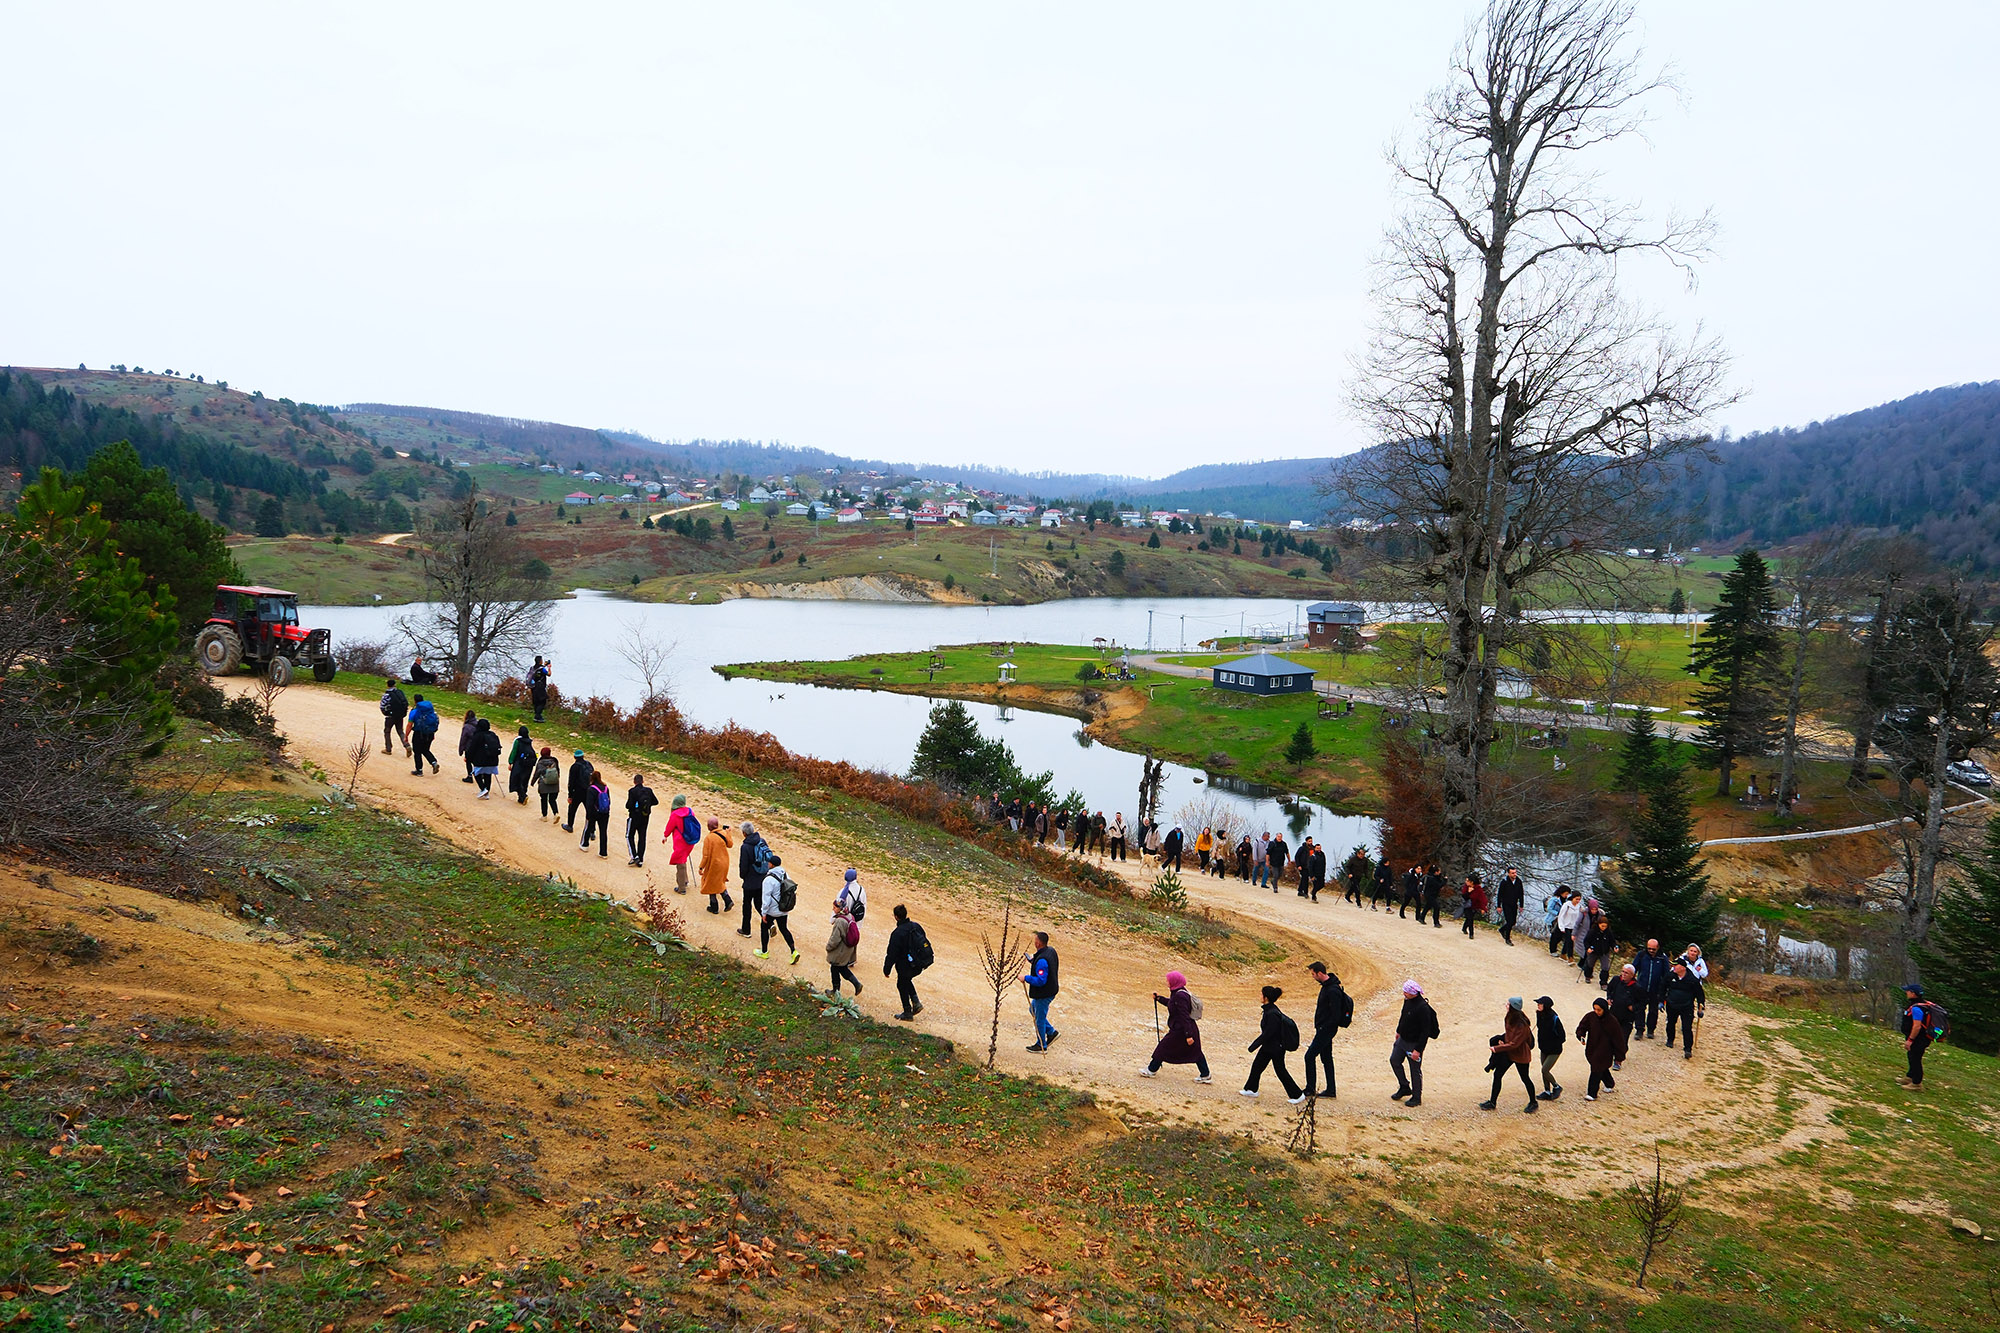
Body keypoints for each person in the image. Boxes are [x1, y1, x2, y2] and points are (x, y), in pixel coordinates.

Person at [1141, 971, 1209, 1082]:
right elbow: (1172, 1004)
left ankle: (1151, 1070)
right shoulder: (1178, 992)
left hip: (1181, 1030)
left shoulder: (1180, 995)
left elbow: (1184, 1016)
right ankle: (1205, 1074)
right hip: (1185, 1028)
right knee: (1195, 1051)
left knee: (1163, 1047)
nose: (1167, 982)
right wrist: (1159, 999)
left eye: (1168, 980)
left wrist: (1188, 1035)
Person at [1242, 985, 1304, 1102]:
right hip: (1269, 1046)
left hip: (1275, 1048)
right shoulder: (1269, 1010)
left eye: (1261, 994)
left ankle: (1297, 1095)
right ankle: (1251, 1089)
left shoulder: (1272, 1013)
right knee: (1257, 1066)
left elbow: (1268, 1033)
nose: (1259, 996)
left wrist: (1253, 1046)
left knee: (1280, 1071)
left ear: (1266, 998)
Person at [1479, 998, 1540, 1113]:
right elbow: (1509, 1035)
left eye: (1508, 1004)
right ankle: (1492, 1102)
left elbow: (1515, 1043)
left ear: (1512, 1007)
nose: (1506, 1005)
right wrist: (1502, 1041)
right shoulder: (1509, 1018)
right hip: (1509, 1052)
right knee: (1497, 1075)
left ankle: (1533, 1102)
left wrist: (1497, 1048)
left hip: (1521, 1055)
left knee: (1525, 1078)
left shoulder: (1522, 1025)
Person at [1390, 979, 1438, 1107]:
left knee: (1415, 1070)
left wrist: (1418, 1050)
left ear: (1413, 993)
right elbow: (1403, 1016)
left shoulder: (1423, 1008)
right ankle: (1404, 1086)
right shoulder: (1408, 1001)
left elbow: (1425, 1031)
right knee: (1394, 1060)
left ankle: (1417, 1097)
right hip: (1403, 1039)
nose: (1404, 994)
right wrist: (1398, 1031)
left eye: (1406, 992)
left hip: (1414, 1044)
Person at [1303, 961, 1348, 1098]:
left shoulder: (1332, 990)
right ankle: (1331, 1089)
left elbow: (1335, 1015)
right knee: (1326, 1058)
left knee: (1309, 1056)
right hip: (1324, 1028)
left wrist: (1324, 1027)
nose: (1312, 977)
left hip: (1326, 1029)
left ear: (1319, 973)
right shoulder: (1328, 986)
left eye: (1313, 974)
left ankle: (1310, 1088)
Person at [883, 904, 929, 1020]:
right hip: (919, 963)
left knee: (901, 984)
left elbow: (891, 954)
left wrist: (886, 969)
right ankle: (916, 1003)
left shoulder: (897, 933)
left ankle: (907, 1012)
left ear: (896, 917)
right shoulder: (916, 926)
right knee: (906, 980)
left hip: (905, 966)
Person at [755, 854, 800, 964]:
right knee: (784, 929)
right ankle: (793, 951)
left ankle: (764, 951)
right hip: (783, 909)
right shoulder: (785, 874)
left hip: (772, 910)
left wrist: (763, 912)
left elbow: (766, 898)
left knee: (764, 928)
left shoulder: (768, 879)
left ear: (771, 864)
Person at [1575, 997, 1621, 1100]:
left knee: (1596, 1069)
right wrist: (1581, 1035)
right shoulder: (1591, 1017)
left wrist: (1619, 1056)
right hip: (1592, 1048)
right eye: (1595, 1009)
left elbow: (1618, 1040)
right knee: (1600, 1067)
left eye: (1599, 1010)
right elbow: (1582, 1027)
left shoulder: (1612, 1022)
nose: (1597, 1012)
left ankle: (1592, 1093)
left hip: (1605, 1051)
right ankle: (1609, 1083)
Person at [1022, 931, 1060, 1052]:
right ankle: (1051, 1032)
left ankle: (1041, 1045)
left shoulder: (1042, 961)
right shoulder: (1050, 951)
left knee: (1039, 1018)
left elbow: (1040, 980)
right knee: (1032, 1009)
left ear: (1038, 943)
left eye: (1035, 940)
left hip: (1044, 993)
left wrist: (1026, 978)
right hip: (1052, 989)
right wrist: (1034, 960)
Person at [1663, 960, 1707, 1059]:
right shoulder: (1670, 976)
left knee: (1687, 1028)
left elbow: (1700, 994)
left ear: (1682, 967)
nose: (1673, 967)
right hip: (1672, 1004)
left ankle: (1688, 1049)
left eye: (1676, 965)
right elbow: (1662, 987)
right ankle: (1670, 1040)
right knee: (1670, 1023)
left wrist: (1701, 1007)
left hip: (1686, 1007)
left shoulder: (1692, 979)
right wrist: (1661, 1001)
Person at [736, 820, 771, 937]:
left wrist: (743, 876)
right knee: (759, 903)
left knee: (747, 905)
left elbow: (743, 865)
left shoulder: (745, 846)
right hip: (762, 878)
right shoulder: (762, 841)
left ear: (744, 833)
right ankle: (769, 924)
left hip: (750, 881)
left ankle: (746, 930)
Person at [1899, 983, 1936, 1088]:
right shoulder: (1923, 1005)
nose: (1906, 993)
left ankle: (1916, 1083)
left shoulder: (1916, 1008)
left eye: (1908, 991)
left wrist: (1910, 1040)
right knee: (1911, 1056)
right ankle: (1910, 1076)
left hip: (1918, 1038)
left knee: (1915, 1058)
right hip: (1921, 1038)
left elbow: (1917, 1026)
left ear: (1913, 994)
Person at [1632, 938, 1671, 1039]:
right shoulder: (1641, 955)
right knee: (1640, 1009)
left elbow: (1667, 974)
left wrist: (1665, 988)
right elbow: (1634, 968)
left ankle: (1651, 1030)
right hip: (1642, 987)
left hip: (1656, 989)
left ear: (1657, 948)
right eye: (1649, 948)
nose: (1651, 951)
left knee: (1653, 1011)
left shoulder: (1662, 958)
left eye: (1653, 949)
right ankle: (1639, 1030)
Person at [1605, 964, 1641, 1069]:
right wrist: (1609, 998)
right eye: (1623, 972)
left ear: (1632, 975)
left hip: (1627, 1018)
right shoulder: (1616, 980)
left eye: (1626, 973)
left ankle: (1618, 1060)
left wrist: (1633, 1007)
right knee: (1608, 1035)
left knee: (1622, 1039)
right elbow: (1609, 989)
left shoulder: (1637, 987)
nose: (1623, 974)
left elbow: (1642, 1002)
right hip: (1614, 1014)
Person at [663, 795, 701, 891]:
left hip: (680, 842)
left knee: (680, 863)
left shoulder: (675, 814)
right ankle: (685, 880)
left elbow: (670, 827)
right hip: (690, 841)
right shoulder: (690, 811)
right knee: (683, 859)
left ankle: (681, 888)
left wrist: (665, 836)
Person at [697, 817, 735, 913]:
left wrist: (701, 867)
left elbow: (706, 856)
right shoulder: (723, 833)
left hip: (714, 864)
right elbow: (730, 844)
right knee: (719, 882)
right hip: (725, 863)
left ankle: (714, 907)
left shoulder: (708, 838)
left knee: (711, 883)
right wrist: (728, 833)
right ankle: (728, 900)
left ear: (709, 827)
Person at [826, 898, 862, 995]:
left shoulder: (840, 921)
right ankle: (857, 984)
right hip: (848, 949)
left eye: (834, 907)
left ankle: (835, 991)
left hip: (841, 950)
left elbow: (835, 939)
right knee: (842, 968)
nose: (833, 909)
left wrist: (828, 947)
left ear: (840, 908)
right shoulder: (850, 916)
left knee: (834, 969)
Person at [1534, 996, 1565, 1100]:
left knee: (1545, 1070)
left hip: (1554, 1050)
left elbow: (1562, 1036)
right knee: (1544, 1070)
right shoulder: (1540, 1015)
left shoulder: (1554, 1018)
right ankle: (1547, 1091)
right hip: (1544, 1048)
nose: (1538, 1005)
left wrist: (1553, 1043)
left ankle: (1556, 1087)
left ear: (1545, 1006)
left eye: (1540, 1004)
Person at [625, 773, 659, 866]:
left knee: (629, 836)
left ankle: (634, 856)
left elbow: (628, 805)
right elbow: (656, 802)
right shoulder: (648, 790)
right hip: (645, 817)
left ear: (634, 782)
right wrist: (646, 805)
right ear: (643, 781)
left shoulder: (632, 791)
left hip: (634, 817)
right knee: (642, 837)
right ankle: (640, 859)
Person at [407, 694, 440, 776]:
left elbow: (409, 725)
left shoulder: (414, 712)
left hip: (419, 734)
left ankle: (419, 770)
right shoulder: (430, 710)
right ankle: (434, 762)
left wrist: (406, 735)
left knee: (417, 751)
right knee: (425, 750)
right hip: (430, 734)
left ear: (415, 701)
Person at [1579, 912, 1615, 987]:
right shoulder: (1593, 931)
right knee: (1590, 964)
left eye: (1605, 926)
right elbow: (1586, 941)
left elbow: (1612, 941)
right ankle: (1588, 976)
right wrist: (1588, 948)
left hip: (1604, 952)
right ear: (1598, 924)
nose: (1603, 928)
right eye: (1602, 926)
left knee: (1605, 967)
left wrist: (1614, 947)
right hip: (1593, 951)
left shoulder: (1608, 932)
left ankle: (1603, 983)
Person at [469, 717, 502, 798]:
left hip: (480, 760)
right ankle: (487, 791)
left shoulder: (477, 735)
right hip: (492, 760)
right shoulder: (492, 735)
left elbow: (472, 748)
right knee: (488, 775)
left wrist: (469, 758)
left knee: (476, 773)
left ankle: (483, 789)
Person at [580, 771, 611, 856]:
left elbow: (589, 804)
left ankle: (585, 844)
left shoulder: (591, 789)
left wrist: (588, 815)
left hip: (594, 812)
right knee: (603, 832)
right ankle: (603, 852)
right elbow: (609, 801)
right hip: (604, 812)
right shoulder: (605, 788)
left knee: (588, 828)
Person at [562, 749, 593, 832]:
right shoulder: (589, 764)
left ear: (574, 757)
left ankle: (570, 826)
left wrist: (570, 795)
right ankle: (591, 831)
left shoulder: (574, 767)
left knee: (572, 809)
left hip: (577, 791)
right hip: (588, 791)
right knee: (590, 811)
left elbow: (571, 782)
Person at [379, 678, 410, 757]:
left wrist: (385, 712)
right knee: (400, 731)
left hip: (390, 716)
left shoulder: (387, 695)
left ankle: (388, 749)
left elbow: (382, 705)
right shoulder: (400, 693)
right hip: (400, 715)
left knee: (387, 731)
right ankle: (407, 745)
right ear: (395, 685)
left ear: (387, 685)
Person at [506, 725, 536, 805]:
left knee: (517, 779)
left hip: (520, 763)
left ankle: (523, 795)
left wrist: (510, 762)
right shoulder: (529, 741)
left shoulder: (518, 741)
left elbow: (514, 752)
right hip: (529, 764)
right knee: (525, 780)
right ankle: (521, 798)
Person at [1497, 866, 1525, 946]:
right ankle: (1507, 938)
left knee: (1513, 922)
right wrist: (1499, 906)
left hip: (1514, 904)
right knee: (1509, 921)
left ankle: (1502, 929)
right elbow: (1500, 894)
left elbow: (1521, 894)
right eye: (1512, 873)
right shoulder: (1504, 882)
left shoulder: (1519, 881)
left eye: (1515, 872)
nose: (1514, 874)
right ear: (1508, 873)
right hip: (1506, 904)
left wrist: (1521, 905)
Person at [1555, 887, 1584, 959]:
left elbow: (1583, 913)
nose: (1578, 901)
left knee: (1569, 941)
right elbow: (1561, 916)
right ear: (1572, 898)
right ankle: (1570, 957)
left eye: (1579, 899)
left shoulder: (1579, 906)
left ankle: (1563, 954)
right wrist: (1561, 926)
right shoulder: (1567, 905)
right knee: (1570, 941)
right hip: (1566, 926)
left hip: (1573, 927)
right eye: (1576, 899)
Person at [532, 746, 561, 817]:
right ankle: (556, 813)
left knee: (543, 799)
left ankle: (544, 816)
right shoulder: (555, 761)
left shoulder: (540, 762)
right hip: (554, 783)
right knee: (552, 800)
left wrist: (533, 781)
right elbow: (558, 771)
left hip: (543, 783)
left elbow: (537, 773)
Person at [1459, 873, 1488, 940]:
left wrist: (1483, 908)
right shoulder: (1466, 887)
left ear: (1471, 882)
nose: (1466, 882)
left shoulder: (1478, 889)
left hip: (1474, 906)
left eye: (1467, 881)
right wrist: (1468, 892)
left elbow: (1482, 899)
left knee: (1469, 918)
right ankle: (1471, 933)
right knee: (1470, 919)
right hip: (1467, 905)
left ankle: (1464, 928)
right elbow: (1464, 897)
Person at [456, 708, 479, 783]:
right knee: (476, 761)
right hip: (477, 746)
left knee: (468, 761)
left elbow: (463, 739)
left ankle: (469, 776)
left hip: (469, 747)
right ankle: (479, 774)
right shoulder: (478, 724)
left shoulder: (466, 726)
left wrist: (461, 750)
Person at [527, 656, 552, 722]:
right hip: (540, 687)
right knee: (543, 701)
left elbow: (538, 670)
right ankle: (537, 716)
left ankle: (538, 716)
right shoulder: (542, 669)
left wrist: (544, 665)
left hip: (533, 686)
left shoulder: (532, 668)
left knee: (536, 702)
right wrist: (549, 667)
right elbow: (549, 674)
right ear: (540, 661)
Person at [1422, 863, 1445, 928]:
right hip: (1429, 895)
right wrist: (1445, 881)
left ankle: (1421, 917)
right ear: (1435, 872)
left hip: (1432, 894)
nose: (1440, 872)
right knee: (1436, 907)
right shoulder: (1431, 878)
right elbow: (1438, 885)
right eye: (1439, 871)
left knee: (1428, 906)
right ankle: (1436, 922)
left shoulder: (1432, 877)